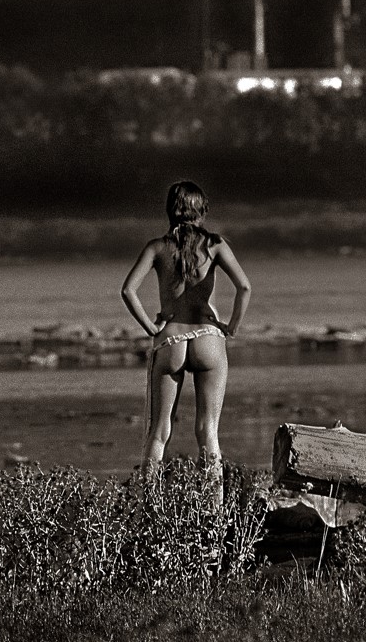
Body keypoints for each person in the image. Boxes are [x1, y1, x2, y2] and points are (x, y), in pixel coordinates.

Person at [121, 180, 251, 501]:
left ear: (170, 210)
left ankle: (150, 510)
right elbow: (245, 288)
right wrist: (231, 326)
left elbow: (127, 291)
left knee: (159, 433)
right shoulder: (215, 245)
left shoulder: (156, 248)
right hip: (208, 337)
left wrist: (151, 328)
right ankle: (214, 515)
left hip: (170, 340)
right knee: (208, 432)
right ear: (202, 211)